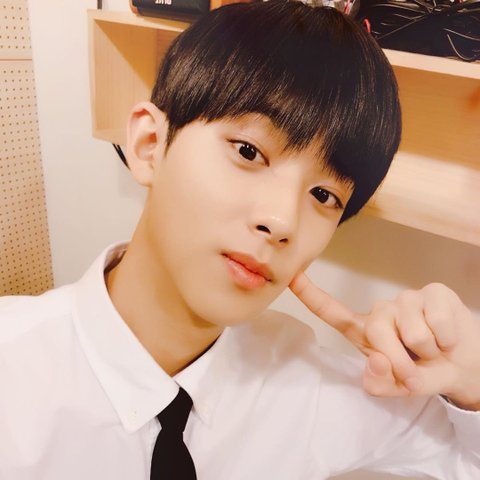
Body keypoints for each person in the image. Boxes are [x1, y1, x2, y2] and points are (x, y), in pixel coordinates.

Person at [0, 1, 479, 479]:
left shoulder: (307, 388)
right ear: (149, 145)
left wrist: (471, 384)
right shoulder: (13, 371)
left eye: (323, 195)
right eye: (248, 151)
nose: (282, 221)